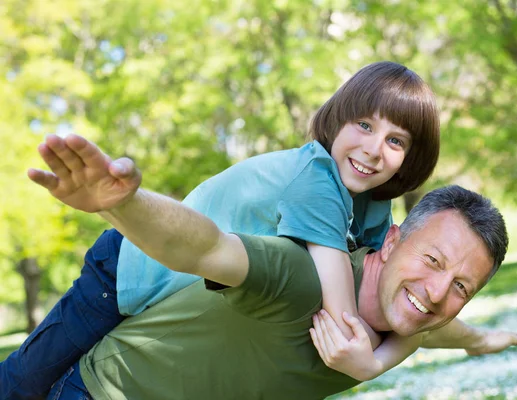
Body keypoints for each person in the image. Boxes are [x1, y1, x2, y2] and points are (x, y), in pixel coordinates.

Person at [1, 61, 441, 399]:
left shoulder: (373, 209)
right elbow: (350, 322)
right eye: (364, 125)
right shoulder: (318, 180)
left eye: (395, 140)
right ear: (338, 120)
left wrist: (375, 359)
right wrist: (371, 359)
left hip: (180, 291)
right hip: (128, 268)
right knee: (28, 377)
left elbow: (402, 315)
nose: (373, 149)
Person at [30, 135, 517, 399]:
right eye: (432, 260)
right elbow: (204, 247)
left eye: (461, 286)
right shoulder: (308, 274)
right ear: (390, 242)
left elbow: (447, 331)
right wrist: (125, 204)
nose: (435, 293)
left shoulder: (408, 324)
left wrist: (485, 340)